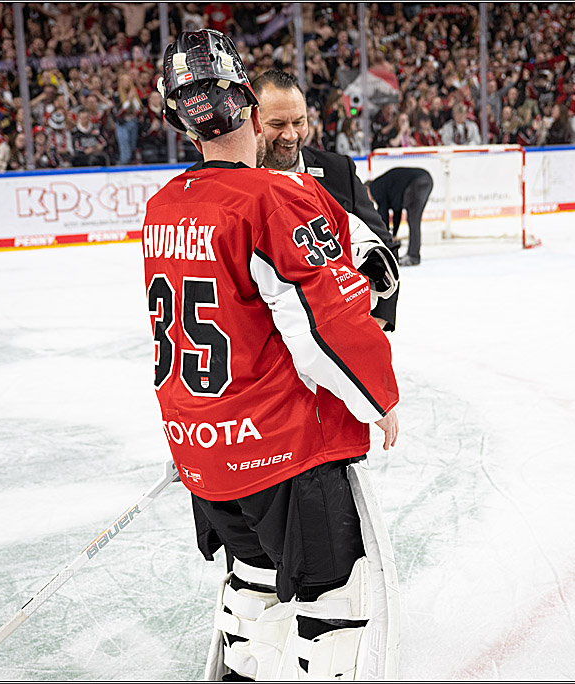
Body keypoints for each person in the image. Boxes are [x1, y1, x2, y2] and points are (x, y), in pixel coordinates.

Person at [144, 29, 400, 681]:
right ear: (253, 110)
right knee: (335, 606)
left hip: (205, 449)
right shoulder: (272, 198)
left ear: (177, 120)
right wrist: (379, 399)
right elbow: (325, 327)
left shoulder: (162, 208)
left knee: (256, 588)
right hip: (285, 455)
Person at [251, 69, 400, 332]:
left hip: (338, 338)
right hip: (264, 344)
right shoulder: (234, 177)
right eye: (277, 125)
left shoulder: (338, 171)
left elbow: (382, 245)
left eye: (299, 122)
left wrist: (377, 320)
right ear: (254, 121)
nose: (290, 135)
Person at [367, 167, 433, 267]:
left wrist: (386, 236)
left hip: (417, 181)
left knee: (413, 219)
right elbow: (396, 212)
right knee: (413, 219)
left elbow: (383, 213)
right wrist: (393, 234)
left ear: (367, 188)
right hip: (424, 179)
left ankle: (413, 256)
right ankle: (413, 254)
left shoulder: (375, 188)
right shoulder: (385, 188)